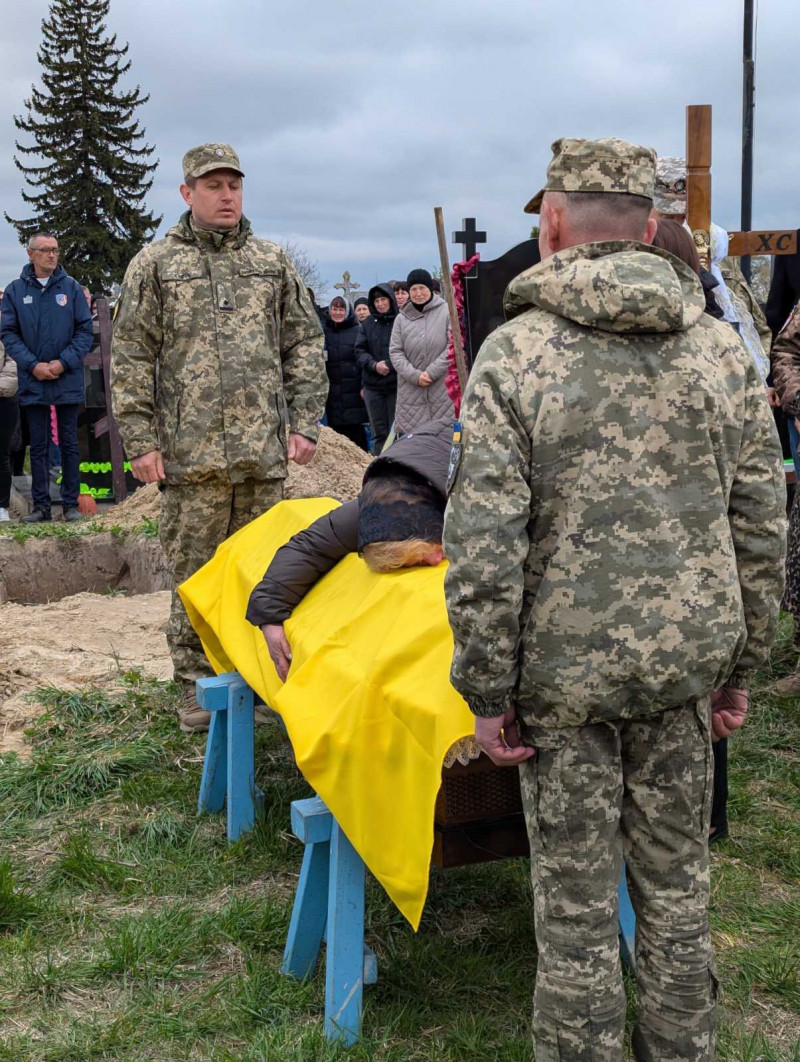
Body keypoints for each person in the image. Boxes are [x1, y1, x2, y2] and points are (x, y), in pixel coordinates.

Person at [443, 137, 786, 1060]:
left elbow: (481, 546)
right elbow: (763, 523)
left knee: (577, 912)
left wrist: (486, 688)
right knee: (679, 895)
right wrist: (740, 664)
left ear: (553, 223)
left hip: (561, 685)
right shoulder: (719, 352)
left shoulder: (515, 356)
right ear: (646, 224)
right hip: (683, 674)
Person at [111, 142, 326, 734]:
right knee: (197, 578)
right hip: (190, 459)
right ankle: (198, 693)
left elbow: (303, 343)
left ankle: (259, 687)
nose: (226, 195)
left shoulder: (272, 261)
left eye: (234, 184)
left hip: (262, 457)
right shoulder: (155, 265)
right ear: (187, 193)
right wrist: (140, 440)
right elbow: (130, 356)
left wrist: (305, 421)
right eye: (213, 186)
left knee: (266, 576)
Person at [246, 418, 452, 679]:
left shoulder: (481, 489)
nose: (436, 559)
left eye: (429, 548)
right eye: (417, 563)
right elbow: (310, 546)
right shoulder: (379, 507)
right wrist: (269, 615)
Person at [0, 233, 93, 523]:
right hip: (33, 379)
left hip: (66, 377)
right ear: (31, 254)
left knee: (69, 443)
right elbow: (9, 334)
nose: (51, 255)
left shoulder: (71, 288)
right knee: (38, 445)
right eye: (44, 250)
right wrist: (33, 365)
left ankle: (70, 505)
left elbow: (84, 331)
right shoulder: (16, 291)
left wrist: (62, 363)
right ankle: (41, 507)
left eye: (54, 250)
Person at [389, 269, 454, 432]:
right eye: (414, 289)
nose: (418, 293)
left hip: (442, 389)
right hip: (411, 393)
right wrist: (415, 375)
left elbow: (453, 346)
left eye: (422, 288)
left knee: (443, 442)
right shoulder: (401, 318)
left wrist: (431, 372)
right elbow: (395, 352)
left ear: (430, 289)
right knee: (415, 448)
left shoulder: (447, 311)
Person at [354, 283, 398, 454]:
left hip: (395, 384)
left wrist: (389, 364)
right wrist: (374, 365)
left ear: (390, 300)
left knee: (396, 431)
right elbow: (359, 351)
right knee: (378, 431)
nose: (380, 304)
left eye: (383, 299)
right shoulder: (367, 324)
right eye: (377, 301)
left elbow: (406, 349)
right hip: (373, 385)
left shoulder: (400, 321)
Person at [322, 296, 368, 450]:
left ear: (347, 312)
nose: (338, 313)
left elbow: (363, 359)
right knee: (335, 437)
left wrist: (363, 385)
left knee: (355, 437)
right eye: (335, 309)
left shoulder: (357, 330)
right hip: (332, 391)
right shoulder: (324, 330)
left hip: (353, 390)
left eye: (341, 309)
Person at [0, 317, 18, 523]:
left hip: (3, 402)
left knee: (1, 456)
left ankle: (1, 505)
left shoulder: (6, 327)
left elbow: (12, 367)